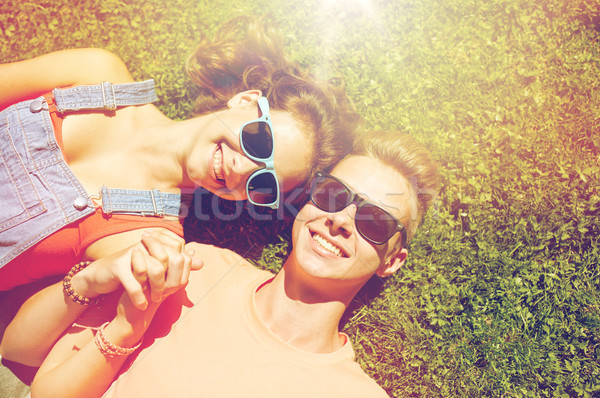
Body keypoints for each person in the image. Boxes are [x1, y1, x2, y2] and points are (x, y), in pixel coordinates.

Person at [2, 131, 441, 398]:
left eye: (374, 222)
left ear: (393, 261)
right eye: (333, 196)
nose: (340, 220)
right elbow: (19, 355)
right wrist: (95, 284)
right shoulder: (198, 268)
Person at [0, 15, 359, 292]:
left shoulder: (149, 239)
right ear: (246, 101)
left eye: (262, 182)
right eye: (259, 142)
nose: (241, 168)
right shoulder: (96, 74)